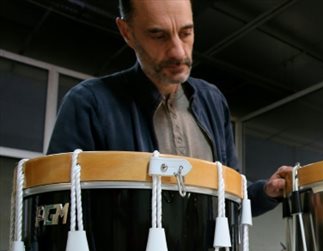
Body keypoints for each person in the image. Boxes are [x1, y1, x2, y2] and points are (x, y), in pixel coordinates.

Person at [48, 0, 290, 216]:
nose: (178, 51)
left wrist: (265, 192)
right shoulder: (89, 103)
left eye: (186, 33)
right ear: (127, 32)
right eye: (158, 35)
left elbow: (231, 196)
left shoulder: (213, 101)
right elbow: (56, 208)